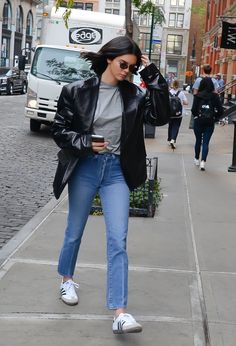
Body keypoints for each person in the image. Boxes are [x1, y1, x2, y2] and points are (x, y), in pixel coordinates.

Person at [51, 36, 169, 334]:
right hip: (85, 167)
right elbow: (60, 130)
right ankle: (66, 280)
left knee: (119, 238)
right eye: (122, 64)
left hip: (117, 170)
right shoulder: (77, 91)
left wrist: (151, 74)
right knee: (75, 230)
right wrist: (85, 142)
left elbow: (162, 115)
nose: (127, 70)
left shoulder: (134, 95)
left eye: (132, 66)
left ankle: (120, 312)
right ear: (108, 59)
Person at [191, 77, 223, 171]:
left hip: (199, 121)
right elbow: (220, 110)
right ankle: (203, 162)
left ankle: (196, 158)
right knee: (206, 142)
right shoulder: (215, 96)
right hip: (209, 122)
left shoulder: (197, 96)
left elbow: (193, 110)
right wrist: (215, 117)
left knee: (198, 141)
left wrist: (197, 115)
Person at [168, 79, 188, 149]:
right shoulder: (181, 93)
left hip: (170, 114)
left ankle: (169, 139)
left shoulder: (168, 93)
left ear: (172, 85)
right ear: (178, 85)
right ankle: (173, 140)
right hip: (179, 114)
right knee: (176, 126)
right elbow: (186, 103)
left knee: (170, 126)